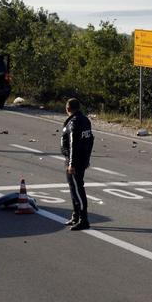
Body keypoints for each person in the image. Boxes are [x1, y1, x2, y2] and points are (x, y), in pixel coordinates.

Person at [61, 97, 95, 230]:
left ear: (68, 108)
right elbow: (90, 140)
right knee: (73, 188)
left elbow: (73, 144)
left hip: (74, 160)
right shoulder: (85, 120)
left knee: (77, 189)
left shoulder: (74, 122)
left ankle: (83, 219)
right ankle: (75, 216)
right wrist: (87, 158)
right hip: (81, 159)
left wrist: (71, 163)